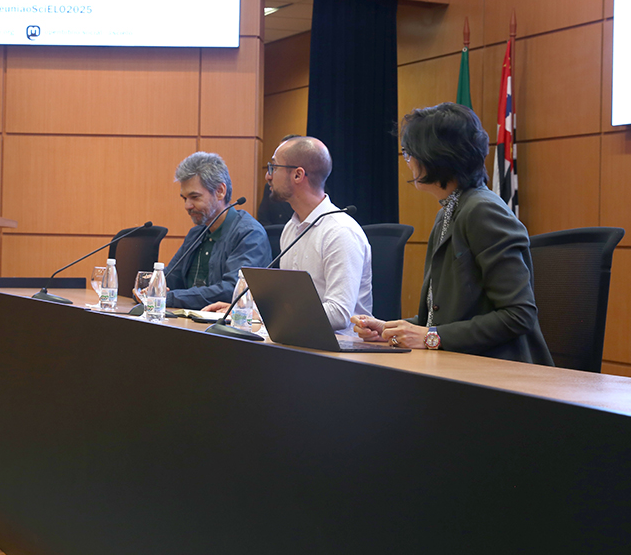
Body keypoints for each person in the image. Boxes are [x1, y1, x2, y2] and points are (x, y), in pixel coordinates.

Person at [352, 102, 553, 365]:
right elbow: (444, 319)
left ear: (434, 157)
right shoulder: (449, 211)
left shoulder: (482, 211)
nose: (408, 162)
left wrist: (429, 337)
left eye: (409, 153)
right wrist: (390, 330)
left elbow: (519, 315)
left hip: (501, 371)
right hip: (463, 363)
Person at [206, 136, 372, 337]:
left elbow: (340, 314)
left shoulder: (340, 232)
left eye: (273, 167)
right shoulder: (291, 228)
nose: (268, 176)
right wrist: (246, 309)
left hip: (340, 348)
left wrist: (267, 314)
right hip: (298, 341)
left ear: (298, 175)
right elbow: (289, 302)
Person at [164, 152, 272, 310]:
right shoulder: (196, 233)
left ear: (220, 191)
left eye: (194, 197)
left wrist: (169, 298)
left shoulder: (250, 234)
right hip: (185, 319)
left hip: (223, 323)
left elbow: (232, 290)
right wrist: (150, 287)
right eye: (184, 198)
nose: (187, 206)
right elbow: (170, 277)